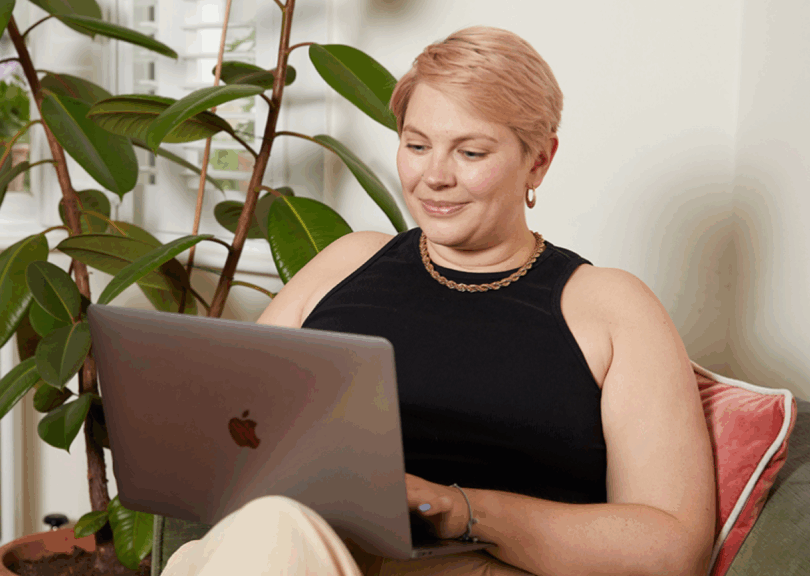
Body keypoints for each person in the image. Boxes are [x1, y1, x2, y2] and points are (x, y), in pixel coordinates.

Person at [161, 26, 716, 576]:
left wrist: (462, 510)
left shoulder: (609, 307)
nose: (433, 177)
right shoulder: (347, 261)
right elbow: (231, 424)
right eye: (417, 145)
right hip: (293, 544)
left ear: (538, 162)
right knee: (264, 533)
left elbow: (672, 547)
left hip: (464, 564)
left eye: (470, 152)